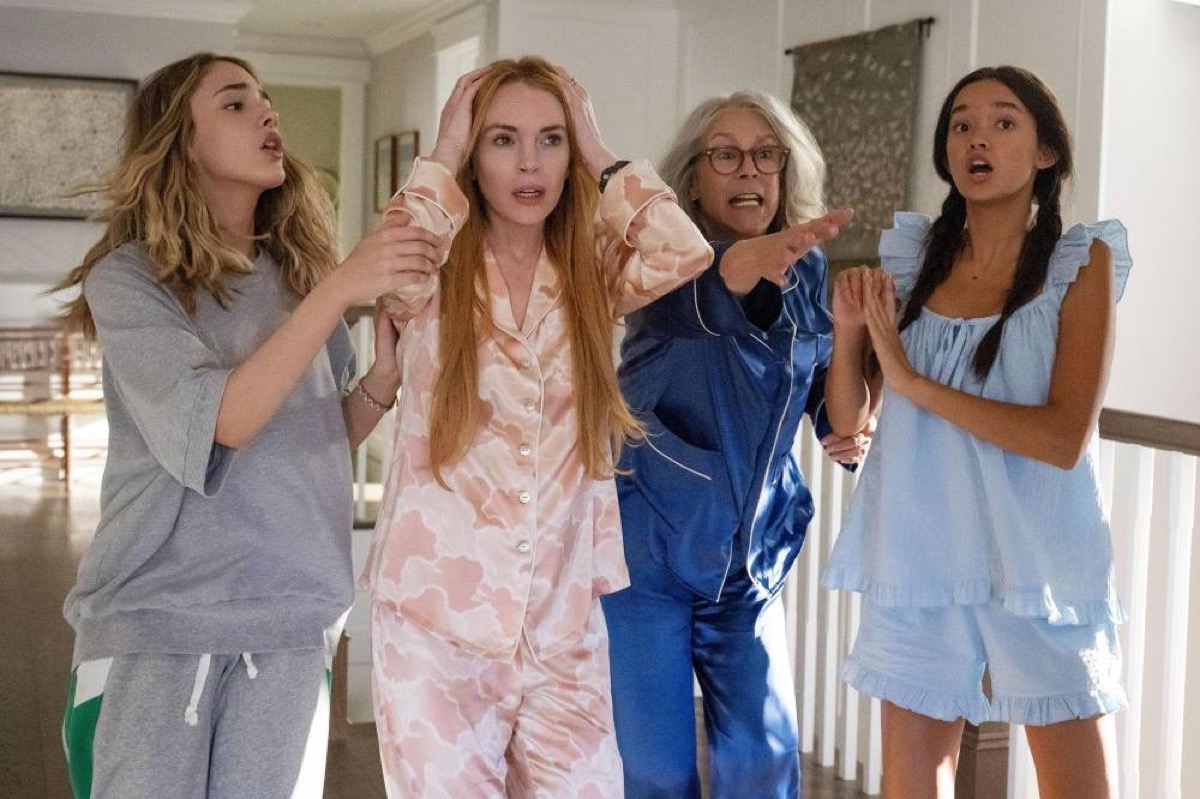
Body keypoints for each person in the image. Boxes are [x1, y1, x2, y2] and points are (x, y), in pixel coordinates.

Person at [56, 53, 439, 799]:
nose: (268, 113)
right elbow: (222, 423)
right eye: (235, 103)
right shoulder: (129, 281)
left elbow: (307, 444)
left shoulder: (300, 278)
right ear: (181, 140)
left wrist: (379, 385)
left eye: (265, 100)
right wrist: (340, 289)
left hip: (290, 625)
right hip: (156, 629)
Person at [362, 57, 714, 797]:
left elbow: (685, 251)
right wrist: (444, 151)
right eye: (503, 140)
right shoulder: (430, 270)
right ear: (474, 157)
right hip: (437, 622)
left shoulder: (591, 271)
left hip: (562, 621)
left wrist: (596, 148)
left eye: (550, 139)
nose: (530, 163)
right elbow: (386, 271)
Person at [823, 66, 1131, 798]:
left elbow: (1063, 439)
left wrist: (916, 384)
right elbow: (849, 421)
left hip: (1041, 562)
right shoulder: (912, 262)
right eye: (961, 124)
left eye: (1003, 122)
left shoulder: (1079, 263)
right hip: (918, 554)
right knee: (910, 783)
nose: (977, 139)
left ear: (1046, 152)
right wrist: (848, 334)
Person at [600, 90, 861, 798]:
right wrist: (752, 258)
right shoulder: (661, 262)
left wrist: (851, 360)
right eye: (725, 154)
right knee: (655, 770)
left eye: (765, 154)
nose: (749, 168)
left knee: (764, 760)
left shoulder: (808, 270)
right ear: (692, 179)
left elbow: (825, 404)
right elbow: (714, 288)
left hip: (751, 558)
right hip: (646, 555)